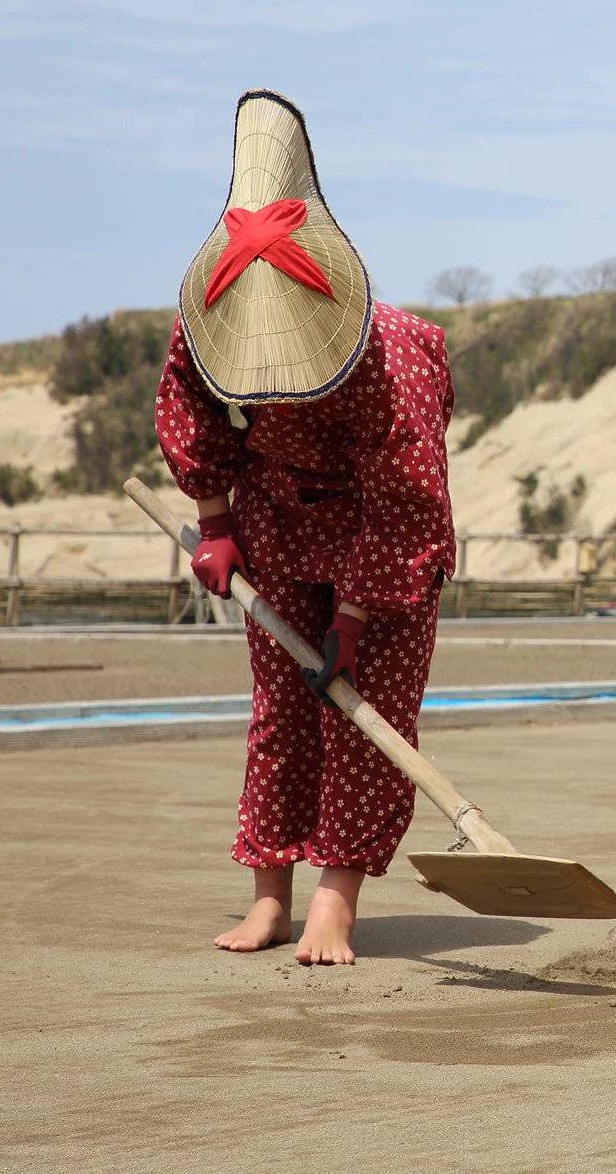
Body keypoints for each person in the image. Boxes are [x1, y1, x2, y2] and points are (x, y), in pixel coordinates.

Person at [154, 89, 456, 965]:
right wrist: (214, 525)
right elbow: (194, 416)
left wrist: (355, 619)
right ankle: (270, 895)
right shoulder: (205, 317)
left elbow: (405, 499)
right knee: (283, 708)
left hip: (380, 530)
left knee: (365, 712)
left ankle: (336, 898)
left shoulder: (389, 356)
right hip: (276, 515)